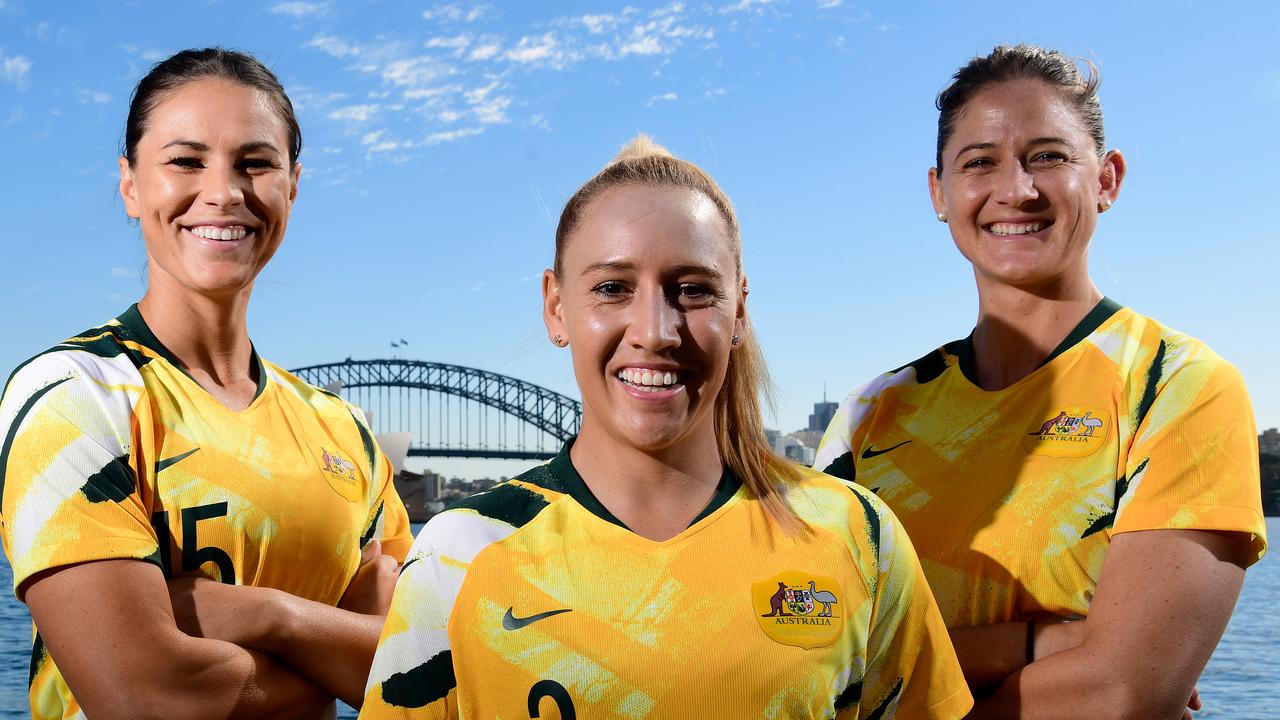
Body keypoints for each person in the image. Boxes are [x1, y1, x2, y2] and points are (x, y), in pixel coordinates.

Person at [358, 136, 972, 720]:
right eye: (611, 288)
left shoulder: (857, 536)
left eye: (693, 290)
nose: (654, 330)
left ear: (739, 311)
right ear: (555, 307)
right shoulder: (460, 554)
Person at [813, 44, 1267, 719]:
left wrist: (913, 664)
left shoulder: (1179, 386)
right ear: (940, 192)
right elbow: (816, 655)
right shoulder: (871, 415)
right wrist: (1049, 643)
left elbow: (1122, 692)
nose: (1017, 189)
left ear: (1107, 179)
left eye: (1049, 156)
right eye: (980, 162)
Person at [0, 48, 411, 719]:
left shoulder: (345, 432)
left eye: (255, 163)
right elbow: (143, 695)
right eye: (186, 161)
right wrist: (326, 667)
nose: (223, 191)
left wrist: (271, 616)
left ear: (292, 186)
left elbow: (415, 673)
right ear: (130, 185)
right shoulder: (75, 395)